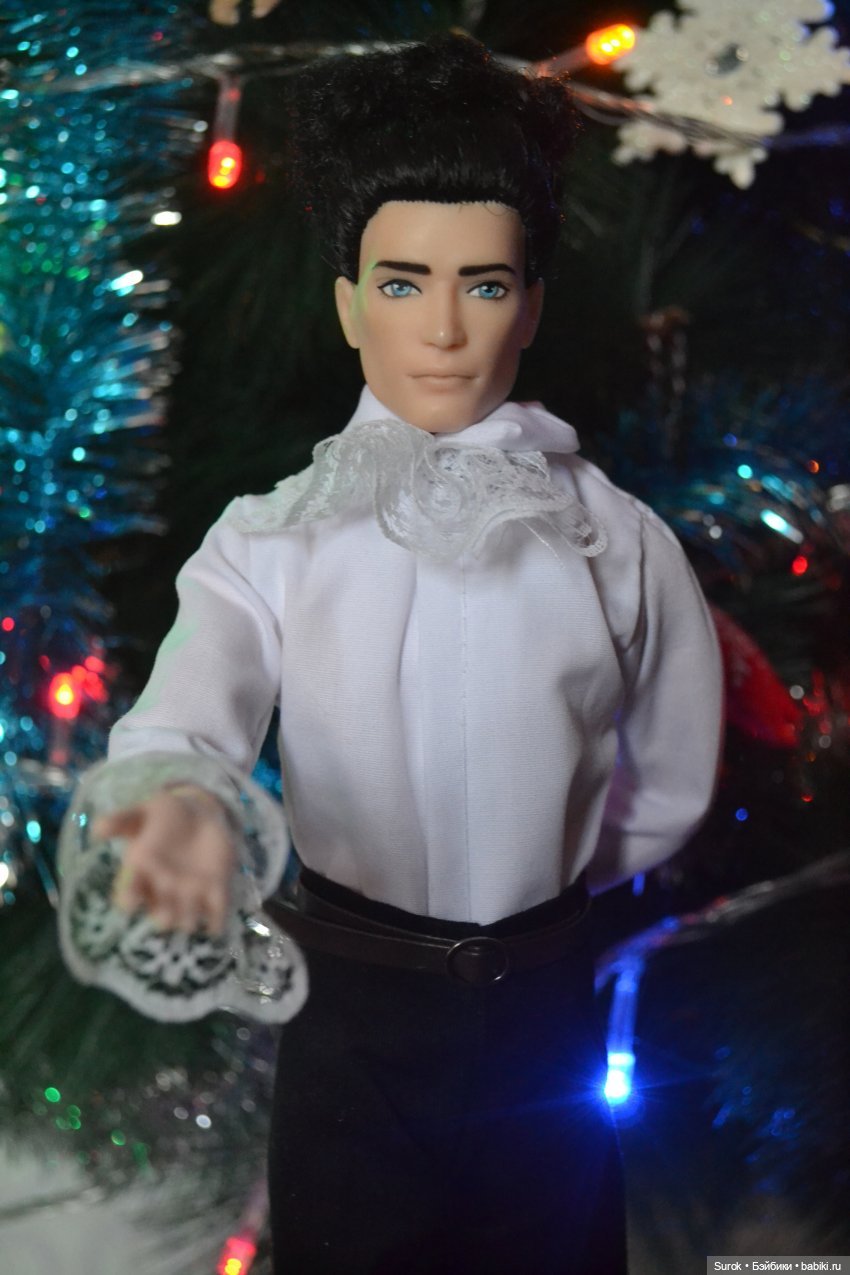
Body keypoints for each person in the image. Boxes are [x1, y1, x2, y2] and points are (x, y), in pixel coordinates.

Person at [58, 34, 723, 1274]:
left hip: (545, 1011)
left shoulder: (614, 542)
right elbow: (191, 706)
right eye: (404, 283)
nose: (446, 330)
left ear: (532, 303)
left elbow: (667, 774)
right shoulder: (272, 541)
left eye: (486, 284)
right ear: (348, 303)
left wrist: (551, 870)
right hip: (355, 1020)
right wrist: (181, 800)